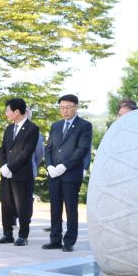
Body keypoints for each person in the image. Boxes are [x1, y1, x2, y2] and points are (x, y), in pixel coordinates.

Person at [43, 94, 92, 252]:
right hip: (54, 174)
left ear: (76, 107)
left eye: (68, 107)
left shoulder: (84, 125)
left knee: (71, 208)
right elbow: (49, 147)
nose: (64, 111)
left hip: (71, 173)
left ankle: (69, 241)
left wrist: (65, 165)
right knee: (55, 207)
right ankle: (55, 239)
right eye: (62, 107)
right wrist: (49, 165)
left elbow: (82, 149)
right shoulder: (56, 125)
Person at [0, 98, 40, 246]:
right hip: (6, 173)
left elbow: (26, 153)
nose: (6, 113)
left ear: (16, 111)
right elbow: (2, 149)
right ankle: (7, 234)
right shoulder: (9, 129)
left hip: (21, 173)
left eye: (8, 110)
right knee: (6, 205)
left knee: (23, 206)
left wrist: (10, 167)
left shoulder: (32, 129)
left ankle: (23, 236)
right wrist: (3, 166)